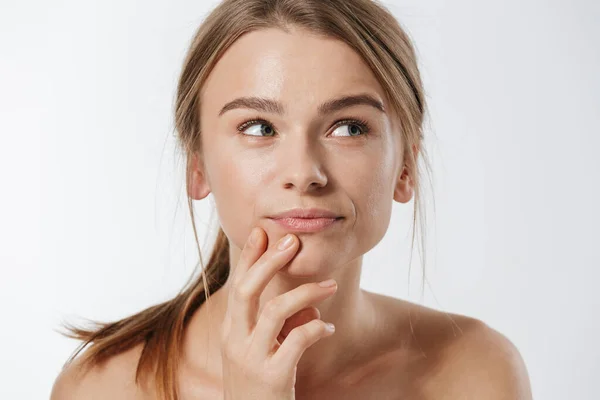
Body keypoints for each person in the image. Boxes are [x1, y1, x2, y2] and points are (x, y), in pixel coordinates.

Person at [51, 0, 533, 399]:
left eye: (349, 127)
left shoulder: (476, 373)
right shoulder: (102, 387)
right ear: (197, 167)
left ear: (404, 167)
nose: (304, 172)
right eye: (258, 128)